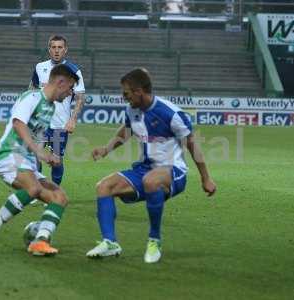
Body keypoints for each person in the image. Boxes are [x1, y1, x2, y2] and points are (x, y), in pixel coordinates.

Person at [86, 68, 216, 263]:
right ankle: (110, 243)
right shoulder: (132, 110)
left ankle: (154, 241)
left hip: (174, 171)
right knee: (104, 187)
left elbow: (191, 144)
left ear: (139, 91)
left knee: (151, 181)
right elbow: (127, 131)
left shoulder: (169, 113)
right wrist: (106, 149)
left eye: (126, 93)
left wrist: (205, 178)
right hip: (144, 169)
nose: (124, 98)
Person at [0, 64, 79, 257]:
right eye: (70, 88)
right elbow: (18, 124)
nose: (70, 94)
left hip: (27, 160)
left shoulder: (50, 106)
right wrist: (38, 152)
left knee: (60, 197)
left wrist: (50, 155)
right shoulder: (31, 97)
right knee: (33, 189)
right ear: (60, 82)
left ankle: (40, 241)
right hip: (10, 154)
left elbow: (36, 135)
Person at [29, 35, 85, 185]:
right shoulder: (40, 67)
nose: (56, 51)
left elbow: (80, 97)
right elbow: (32, 89)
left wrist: (73, 120)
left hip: (60, 125)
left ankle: (54, 191)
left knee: (56, 161)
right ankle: (39, 189)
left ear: (65, 50)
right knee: (35, 157)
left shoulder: (74, 71)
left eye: (60, 47)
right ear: (49, 49)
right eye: (53, 47)